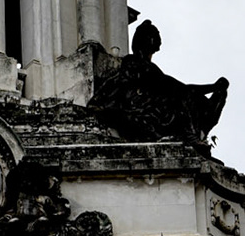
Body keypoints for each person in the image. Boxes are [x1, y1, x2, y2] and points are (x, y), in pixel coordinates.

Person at [88, 20, 228, 144]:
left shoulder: (145, 65)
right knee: (180, 101)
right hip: (140, 107)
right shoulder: (136, 63)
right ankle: (191, 135)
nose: (158, 41)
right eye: (155, 36)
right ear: (148, 40)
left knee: (188, 99)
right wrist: (213, 87)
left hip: (149, 105)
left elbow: (175, 86)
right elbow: (176, 87)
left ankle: (198, 129)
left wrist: (213, 88)